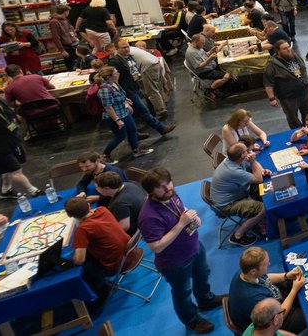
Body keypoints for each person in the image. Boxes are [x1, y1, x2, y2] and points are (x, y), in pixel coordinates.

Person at [139, 167, 222, 334]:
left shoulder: (171, 194)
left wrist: (193, 219)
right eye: (161, 186)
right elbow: (156, 247)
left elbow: (181, 210)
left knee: (203, 275)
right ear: (151, 191)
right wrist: (181, 224)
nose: (168, 188)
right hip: (175, 263)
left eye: (169, 182)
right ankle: (192, 321)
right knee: (183, 293)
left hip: (194, 246)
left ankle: (205, 300)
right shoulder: (149, 216)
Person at [227, 247, 307, 335]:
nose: (269, 264)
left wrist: (286, 275)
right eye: (265, 264)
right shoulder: (255, 299)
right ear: (253, 271)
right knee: (307, 314)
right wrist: (294, 290)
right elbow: (279, 316)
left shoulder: (245, 272)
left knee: (296, 283)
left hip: (273, 301)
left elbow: (265, 278)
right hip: (273, 322)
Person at [64, 195, 129, 302]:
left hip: (116, 265)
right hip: (130, 252)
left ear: (69, 215)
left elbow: (79, 260)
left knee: (82, 269)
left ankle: (102, 293)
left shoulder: (82, 230)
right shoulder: (102, 210)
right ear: (89, 206)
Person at [211, 143, 269, 246]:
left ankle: (260, 219)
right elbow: (258, 178)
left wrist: (262, 170)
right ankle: (237, 235)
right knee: (262, 208)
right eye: (246, 150)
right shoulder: (232, 171)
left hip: (233, 194)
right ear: (242, 155)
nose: (249, 151)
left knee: (259, 186)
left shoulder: (234, 160)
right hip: (227, 205)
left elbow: (254, 170)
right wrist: (253, 161)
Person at [264, 40, 308, 130]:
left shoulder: (294, 55)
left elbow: (302, 68)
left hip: (305, 92)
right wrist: (272, 99)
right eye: (284, 48)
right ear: (278, 51)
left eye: (288, 47)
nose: (288, 49)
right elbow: (268, 84)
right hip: (288, 97)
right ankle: (298, 133)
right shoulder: (271, 65)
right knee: (293, 118)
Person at [94, 170, 147, 235]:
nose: (96, 189)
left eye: (96, 187)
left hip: (135, 231)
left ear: (106, 188)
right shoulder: (129, 185)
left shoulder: (119, 204)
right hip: (141, 219)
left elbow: (124, 227)